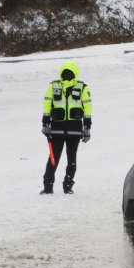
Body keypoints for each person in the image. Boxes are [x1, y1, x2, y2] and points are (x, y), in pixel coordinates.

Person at [40, 61, 92, 194]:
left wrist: (45, 124)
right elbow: (87, 109)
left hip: (61, 130)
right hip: (69, 130)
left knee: (54, 159)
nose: (67, 75)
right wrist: (87, 128)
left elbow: (47, 105)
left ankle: (49, 187)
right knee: (70, 160)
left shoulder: (58, 86)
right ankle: (66, 187)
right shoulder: (80, 87)